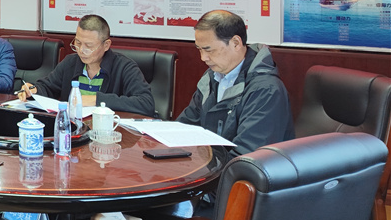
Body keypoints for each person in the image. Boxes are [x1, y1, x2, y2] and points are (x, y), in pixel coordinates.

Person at [176, 9, 294, 156]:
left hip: (241, 168)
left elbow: (248, 155)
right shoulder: (212, 76)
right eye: (199, 50)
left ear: (236, 43)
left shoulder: (266, 89)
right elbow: (186, 126)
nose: (203, 58)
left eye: (209, 50)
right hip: (213, 163)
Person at [17, 14, 155, 115]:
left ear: (106, 45)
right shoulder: (71, 62)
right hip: (74, 131)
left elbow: (146, 103)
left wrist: (96, 99)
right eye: (78, 43)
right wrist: (34, 90)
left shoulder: (124, 67)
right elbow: (48, 87)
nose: (81, 50)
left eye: (89, 45)